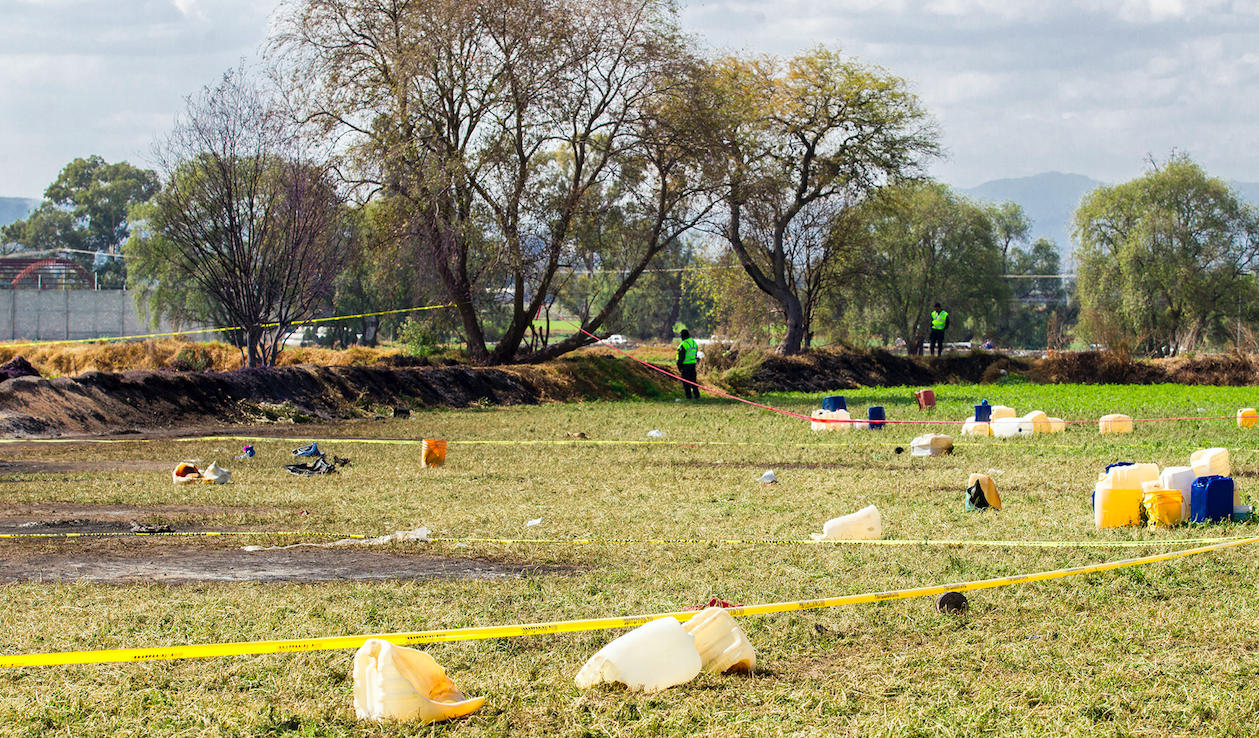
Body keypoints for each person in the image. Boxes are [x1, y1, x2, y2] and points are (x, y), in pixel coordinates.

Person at [676, 329, 700, 399]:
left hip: (685, 365)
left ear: (682, 336)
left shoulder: (684, 344)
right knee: (693, 381)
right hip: (693, 364)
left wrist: (679, 366)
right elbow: (695, 353)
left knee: (686, 382)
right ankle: (696, 395)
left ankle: (688, 396)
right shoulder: (693, 342)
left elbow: (681, 356)